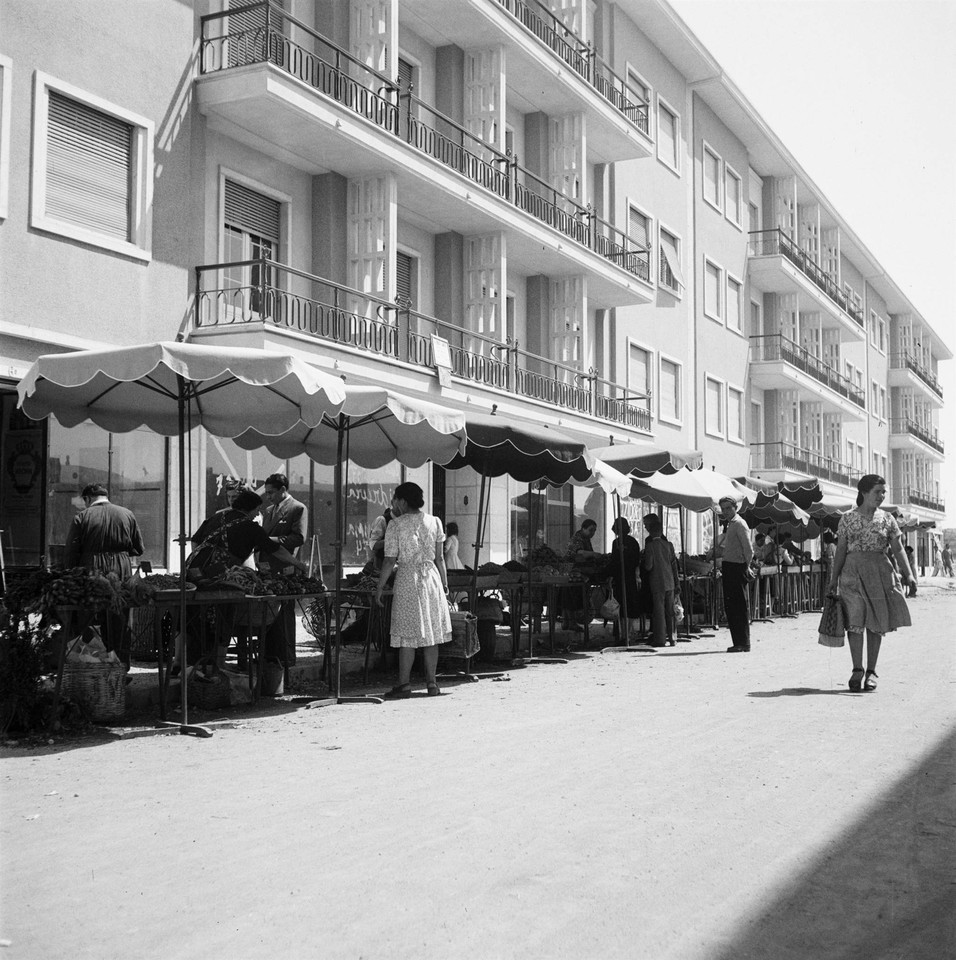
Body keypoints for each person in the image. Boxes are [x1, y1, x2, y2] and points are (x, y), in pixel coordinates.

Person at [185, 489, 308, 671]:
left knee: (194, 617)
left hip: (193, 570)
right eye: (257, 510)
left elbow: (195, 542)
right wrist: (298, 563)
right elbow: (275, 549)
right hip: (217, 577)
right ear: (250, 509)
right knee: (222, 616)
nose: (257, 514)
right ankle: (217, 664)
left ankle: (187, 663)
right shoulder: (250, 526)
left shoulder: (215, 518)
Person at [828, 475, 913, 692]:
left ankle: (871, 672)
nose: (882, 496)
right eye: (877, 491)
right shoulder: (847, 518)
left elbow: (898, 549)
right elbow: (840, 551)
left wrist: (909, 574)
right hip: (851, 574)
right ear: (864, 492)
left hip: (879, 573)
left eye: (884, 492)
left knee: (876, 622)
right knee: (855, 621)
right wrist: (833, 579)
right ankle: (857, 670)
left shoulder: (887, 519)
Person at [375, 482, 451, 698]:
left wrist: (379, 588)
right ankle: (432, 684)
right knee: (432, 633)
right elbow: (440, 558)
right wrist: (445, 584)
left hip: (408, 578)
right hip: (432, 578)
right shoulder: (435, 521)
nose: (394, 503)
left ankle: (404, 684)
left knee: (406, 634)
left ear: (403, 501)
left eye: (396, 499)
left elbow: (389, 561)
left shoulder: (396, 525)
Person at [64, 483, 145, 666]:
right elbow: (139, 548)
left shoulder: (82, 517)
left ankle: (92, 666)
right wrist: (119, 552)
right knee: (119, 619)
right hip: (121, 571)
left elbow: (70, 553)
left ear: (87, 498)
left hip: (92, 571)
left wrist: (70, 575)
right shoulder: (127, 514)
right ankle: (121, 668)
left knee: (89, 617)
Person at [257, 473, 308, 665]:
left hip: (285, 568)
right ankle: (269, 657)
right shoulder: (269, 510)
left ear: (283, 490)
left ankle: (286, 658)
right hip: (265, 567)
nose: (268, 496)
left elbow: (299, 538)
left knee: (283, 616)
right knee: (267, 615)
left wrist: (270, 542)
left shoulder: (297, 508)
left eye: (271, 493)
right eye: (267, 493)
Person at [715, 496, 754, 652]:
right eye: (723, 509)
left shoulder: (739, 524)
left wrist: (746, 566)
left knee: (739, 606)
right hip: (730, 567)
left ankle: (743, 642)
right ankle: (738, 641)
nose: (725, 511)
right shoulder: (731, 525)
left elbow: (748, 549)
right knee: (731, 606)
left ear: (735, 508)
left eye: (728, 508)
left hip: (737, 567)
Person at [640, 513, 680, 647]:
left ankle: (660, 640)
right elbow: (674, 565)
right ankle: (673, 638)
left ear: (650, 531)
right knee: (670, 612)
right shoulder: (669, 545)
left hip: (657, 583)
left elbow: (648, 566)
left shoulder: (650, 546)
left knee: (659, 612)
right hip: (670, 582)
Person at [561, 518, 600, 630]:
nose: (593, 533)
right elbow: (580, 553)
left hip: (577, 571)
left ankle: (567, 622)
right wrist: (594, 554)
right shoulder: (577, 538)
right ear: (583, 528)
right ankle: (569, 622)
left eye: (594, 531)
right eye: (591, 530)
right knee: (571, 596)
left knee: (569, 596)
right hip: (572, 571)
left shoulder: (585, 538)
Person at [609, 517, 642, 642]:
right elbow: (636, 561)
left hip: (619, 577)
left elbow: (613, 562)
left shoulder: (615, 543)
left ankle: (623, 634)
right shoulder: (634, 542)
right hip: (631, 577)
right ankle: (628, 633)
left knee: (621, 606)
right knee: (631, 605)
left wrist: (610, 576)